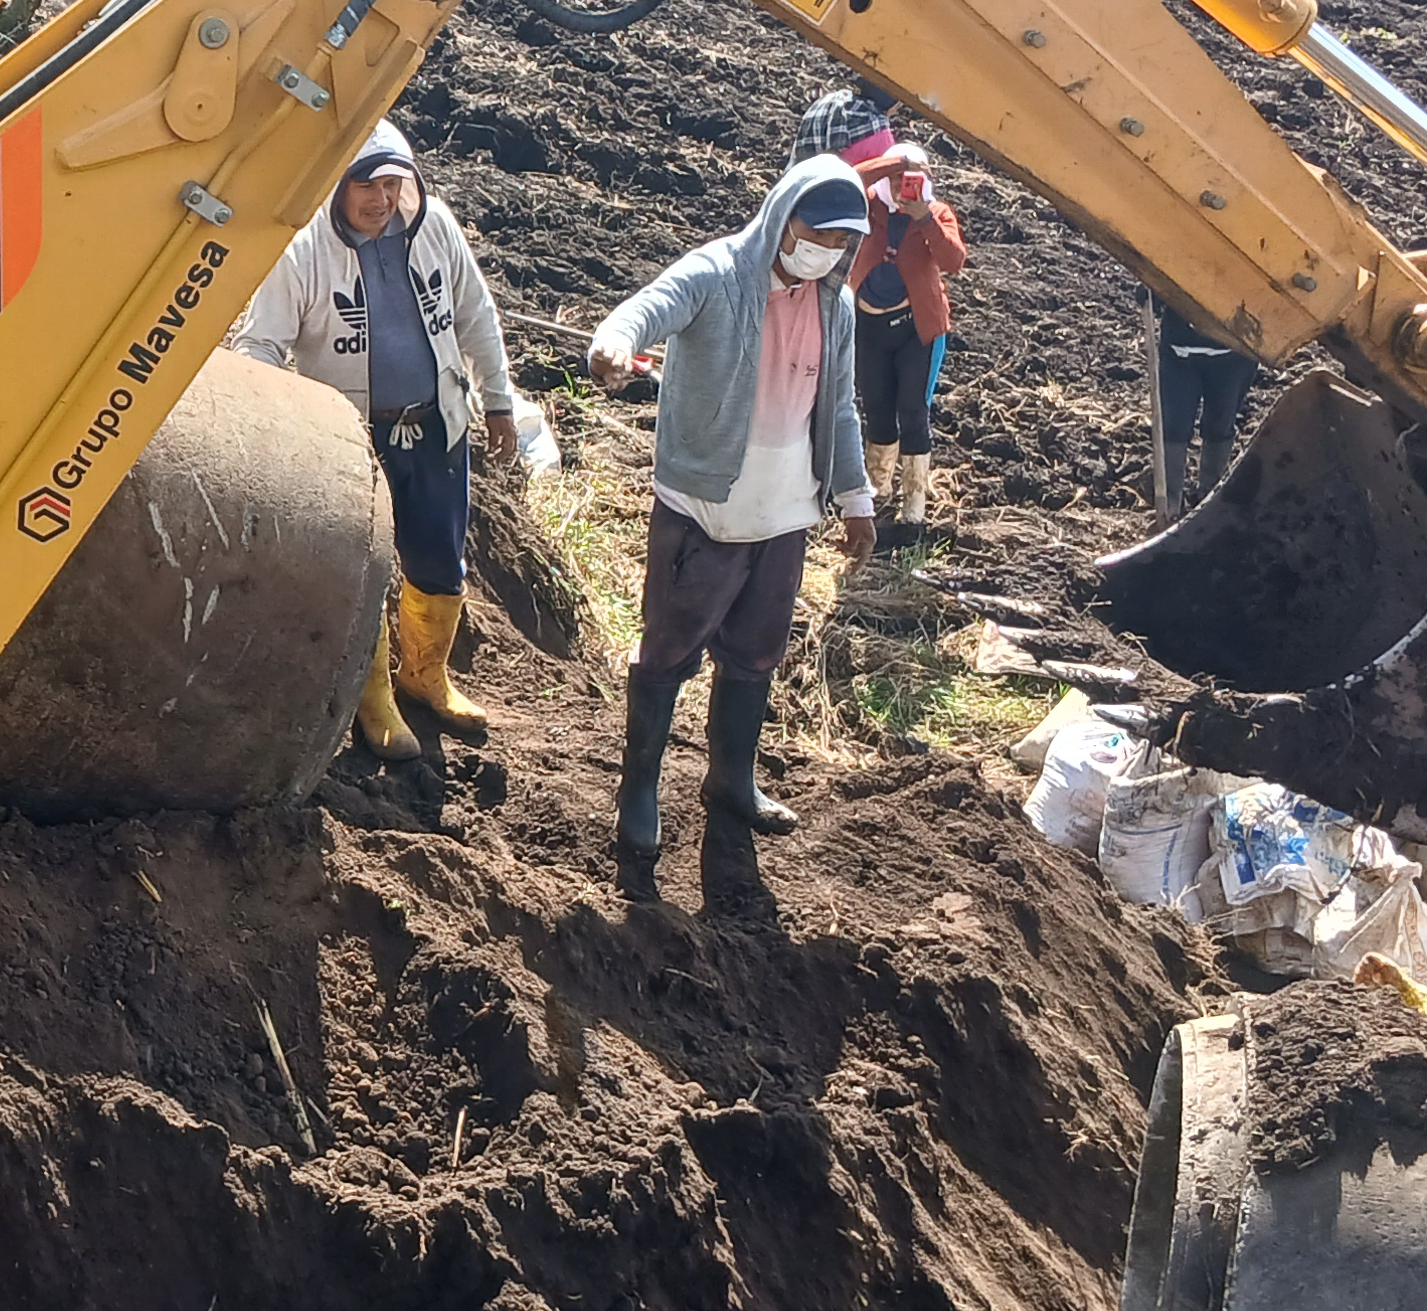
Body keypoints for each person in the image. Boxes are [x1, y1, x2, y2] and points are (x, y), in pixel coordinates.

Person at [587, 157, 876, 897]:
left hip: (784, 514)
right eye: (816, 234)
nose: (825, 252)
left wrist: (855, 498)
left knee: (754, 653)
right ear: (783, 218)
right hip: (706, 510)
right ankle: (639, 788)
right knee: (667, 652)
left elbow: (840, 406)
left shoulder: (834, 307)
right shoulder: (716, 275)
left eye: (841, 243)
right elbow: (649, 307)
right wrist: (614, 342)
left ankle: (731, 779)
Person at [230, 122, 518, 747]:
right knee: (365, 571)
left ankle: (425, 676)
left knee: (438, 559)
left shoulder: (434, 227)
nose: (381, 200)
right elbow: (260, 344)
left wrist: (498, 400)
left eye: (393, 184)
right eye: (367, 185)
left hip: (437, 427)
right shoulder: (302, 249)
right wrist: (268, 428)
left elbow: (475, 313)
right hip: (354, 443)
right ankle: (373, 697)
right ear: (337, 183)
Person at [798, 89, 966, 550]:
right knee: (875, 409)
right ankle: (877, 489)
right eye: (899, 177)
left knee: (912, 411)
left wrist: (924, 217)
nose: (905, 185)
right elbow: (847, 176)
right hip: (868, 325)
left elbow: (953, 260)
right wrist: (892, 165)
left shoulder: (936, 213)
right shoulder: (867, 203)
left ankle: (915, 503)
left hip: (916, 329)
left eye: (914, 178)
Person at [1154, 293, 1263, 516]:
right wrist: (1152, 290)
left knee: (1220, 424)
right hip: (1180, 354)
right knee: (1174, 426)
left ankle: (1210, 498)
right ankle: (1170, 504)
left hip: (1234, 356)